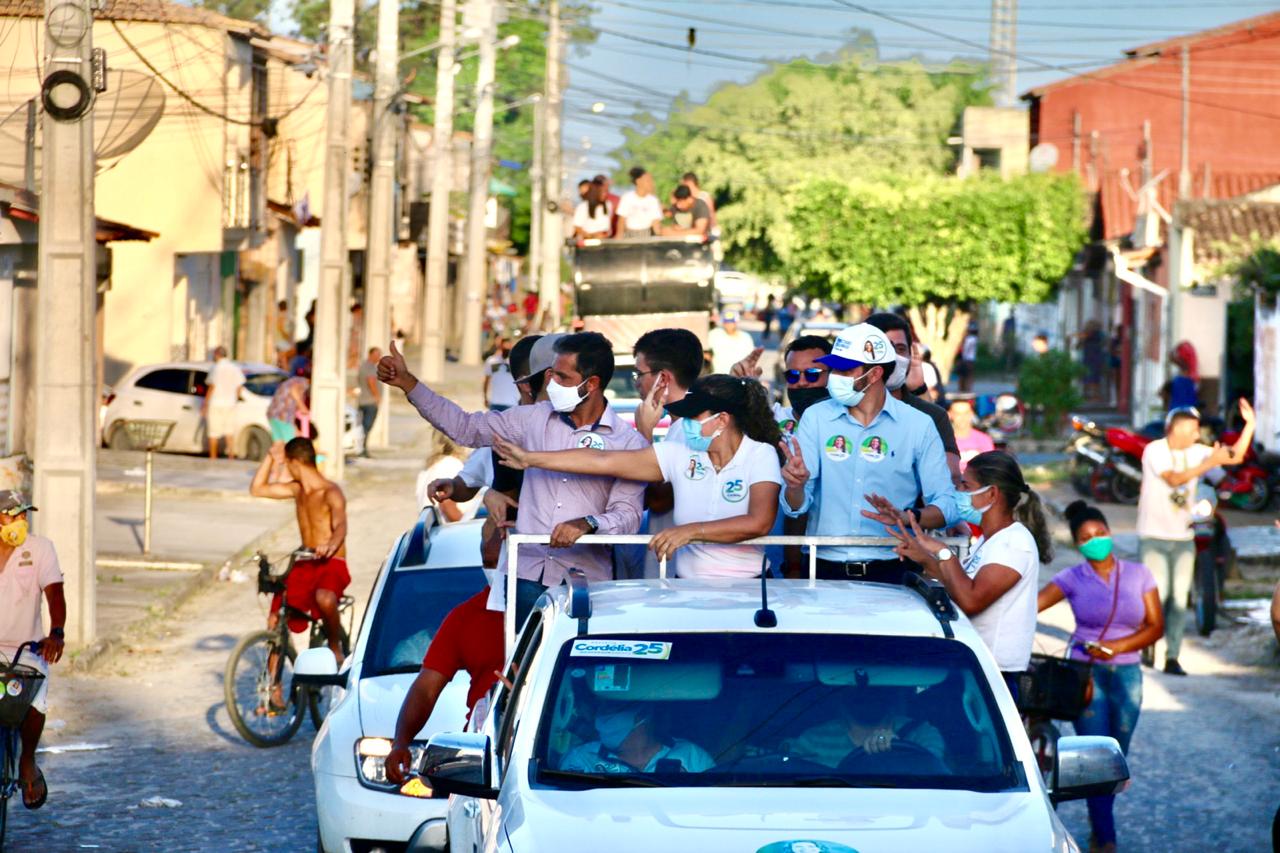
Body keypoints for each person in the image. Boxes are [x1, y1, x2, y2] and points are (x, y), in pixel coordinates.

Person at [378, 332, 645, 624]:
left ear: (591, 384)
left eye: (563, 378)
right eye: (551, 375)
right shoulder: (532, 418)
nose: (552, 385)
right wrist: (408, 384)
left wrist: (589, 524)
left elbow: (628, 515)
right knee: (519, 668)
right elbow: (465, 428)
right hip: (526, 575)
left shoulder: (627, 443)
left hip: (587, 581)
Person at [496, 375, 782, 579]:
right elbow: (603, 460)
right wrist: (530, 459)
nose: (686, 425)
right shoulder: (680, 452)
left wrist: (690, 531)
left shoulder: (759, 455)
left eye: (694, 417)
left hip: (750, 589)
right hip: (690, 588)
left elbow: (759, 522)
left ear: (722, 419)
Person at [780, 324, 958, 583]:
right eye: (834, 368)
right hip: (823, 568)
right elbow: (798, 506)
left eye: (845, 369)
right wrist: (794, 487)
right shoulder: (816, 418)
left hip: (895, 566)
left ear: (874, 374)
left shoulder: (919, 425)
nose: (835, 377)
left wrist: (908, 517)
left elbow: (949, 506)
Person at [1038, 500, 1163, 853]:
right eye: (1087, 537)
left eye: (1101, 533)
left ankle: (1099, 832)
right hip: (1085, 675)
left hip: (1127, 675)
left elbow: (1156, 627)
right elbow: (1028, 606)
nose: (1096, 540)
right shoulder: (1071, 578)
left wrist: (1116, 645)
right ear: (1078, 544)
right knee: (1098, 760)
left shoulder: (1140, 575)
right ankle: (1107, 841)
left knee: (1117, 756)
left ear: (1110, 533)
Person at [887, 451, 1053, 697]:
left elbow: (971, 600)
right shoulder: (989, 540)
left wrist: (944, 552)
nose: (959, 492)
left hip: (995, 674)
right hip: (974, 664)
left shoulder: (1014, 543)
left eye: (966, 485)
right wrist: (924, 558)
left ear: (992, 493)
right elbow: (958, 584)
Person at [1137, 401, 1254, 675]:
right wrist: (1209, 463)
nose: (1196, 435)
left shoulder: (1198, 452)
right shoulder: (1155, 450)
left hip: (1183, 536)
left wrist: (1250, 426)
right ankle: (1147, 645)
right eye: (1191, 429)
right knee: (1156, 595)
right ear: (1176, 429)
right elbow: (1174, 479)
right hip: (1154, 535)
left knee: (1179, 599)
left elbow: (1234, 457)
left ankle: (1172, 656)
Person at [249, 438, 350, 674]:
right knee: (276, 615)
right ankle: (272, 684)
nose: (285, 468)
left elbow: (341, 526)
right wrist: (270, 457)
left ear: (295, 463)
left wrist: (331, 544)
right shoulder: (297, 489)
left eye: (286, 463)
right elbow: (257, 489)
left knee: (325, 598)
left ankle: (335, 647)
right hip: (305, 561)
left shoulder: (330, 491)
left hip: (331, 561)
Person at [384, 586, 504, 784]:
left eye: (497, 562)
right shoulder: (467, 615)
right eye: (487, 563)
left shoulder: (558, 611)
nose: (493, 570)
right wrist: (400, 743)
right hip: (482, 754)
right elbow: (425, 689)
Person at [0, 491, 64, 810]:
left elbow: (54, 594)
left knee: (35, 697)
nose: (21, 521)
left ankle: (27, 761)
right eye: (13, 515)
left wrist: (56, 633)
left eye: (24, 514)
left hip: (27, 648)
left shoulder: (40, 549)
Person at [627, 328, 705, 578]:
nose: (637, 382)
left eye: (639, 373)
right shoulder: (681, 425)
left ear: (663, 378)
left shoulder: (690, 429)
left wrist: (645, 434)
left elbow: (660, 500)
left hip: (682, 573)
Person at [864, 312, 962, 484]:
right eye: (883, 347)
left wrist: (919, 388)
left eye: (900, 349)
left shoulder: (933, 415)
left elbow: (949, 474)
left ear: (911, 355)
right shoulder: (840, 408)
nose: (892, 357)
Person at [784, 687, 945, 769]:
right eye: (857, 687)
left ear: (891, 691)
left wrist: (898, 753)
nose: (867, 691)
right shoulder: (813, 740)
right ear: (841, 692)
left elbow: (940, 775)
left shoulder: (921, 733)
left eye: (876, 686)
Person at [559, 701, 714, 774]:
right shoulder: (582, 758)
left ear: (642, 717)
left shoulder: (692, 756)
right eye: (603, 709)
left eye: (616, 708)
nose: (605, 716)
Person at [416, 429, 482, 521]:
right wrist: (465, 526)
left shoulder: (430, 468)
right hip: (450, 530)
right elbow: (447, 505)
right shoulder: (451, 464)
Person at [203, 346, 246, 459]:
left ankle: (213, 457)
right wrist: (235, 399)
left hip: (216, 403)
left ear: (217, 355)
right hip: (230, 403)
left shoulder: (215, 368)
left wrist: (205, 404)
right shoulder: (234, 368)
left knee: (213, 433)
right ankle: (231, 456)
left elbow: (212, 386)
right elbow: (240, 386)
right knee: (229, 432)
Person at [267, 363, 310, 443]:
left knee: (279, 445)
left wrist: (295, 428)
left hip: (273, 414)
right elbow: (293, 390)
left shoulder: (293, 380)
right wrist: (303, 407)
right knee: (289, 446)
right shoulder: (304, 382)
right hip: (283, 417)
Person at [615, 167, 663, 238]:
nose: (651, 183)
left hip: (647, 235)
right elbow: (621, 221)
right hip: (629, 235)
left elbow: (656, 223)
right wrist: (619, 238)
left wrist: (659, 237)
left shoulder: (653, 200)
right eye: (648, 180)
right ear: (638, 181)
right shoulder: (627, 197)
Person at [949, 399, 995, 471]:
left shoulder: (984, 439)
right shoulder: (943, 440)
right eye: (957, 413)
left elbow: (990, 467)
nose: (962, 417)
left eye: (966, 413)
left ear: (971, 413)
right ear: (950, 414)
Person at [483, 338, 520, 412]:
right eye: (504, 347)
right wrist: (485, 397)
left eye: (508, 347)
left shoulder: (516, 361)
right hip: (495, 403)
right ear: (500, 347)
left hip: (513, 403)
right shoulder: (491, 361)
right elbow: (486, 380)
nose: (506, 349)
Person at [357, 347, 381, 456]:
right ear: (371, 355)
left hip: (362, 401)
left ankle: (362, 448)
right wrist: (377, 397)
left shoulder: (363, 366)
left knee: (362, 426)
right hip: (370, 402)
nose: (378, 357)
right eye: (377, 355)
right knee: (366, 427)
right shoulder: (370, 367)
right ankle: (362, 449)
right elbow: (371, 381)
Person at [955, 323, 978, 393]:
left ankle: (965, 389)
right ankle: (966, 389)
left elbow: (965, 349)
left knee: (965, 375)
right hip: (969, 359)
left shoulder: (969, 339)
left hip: (966, 359)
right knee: (967, 375)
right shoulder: (974, 339)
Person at [274, 299, 293, 369]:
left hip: (280, 341)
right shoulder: (282, 316)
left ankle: (281, 371)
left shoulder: (281, 316)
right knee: (290, 353)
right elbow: (280, 328)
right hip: (281, 341)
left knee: (281, 358)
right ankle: (286, 372)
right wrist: (286, 335)